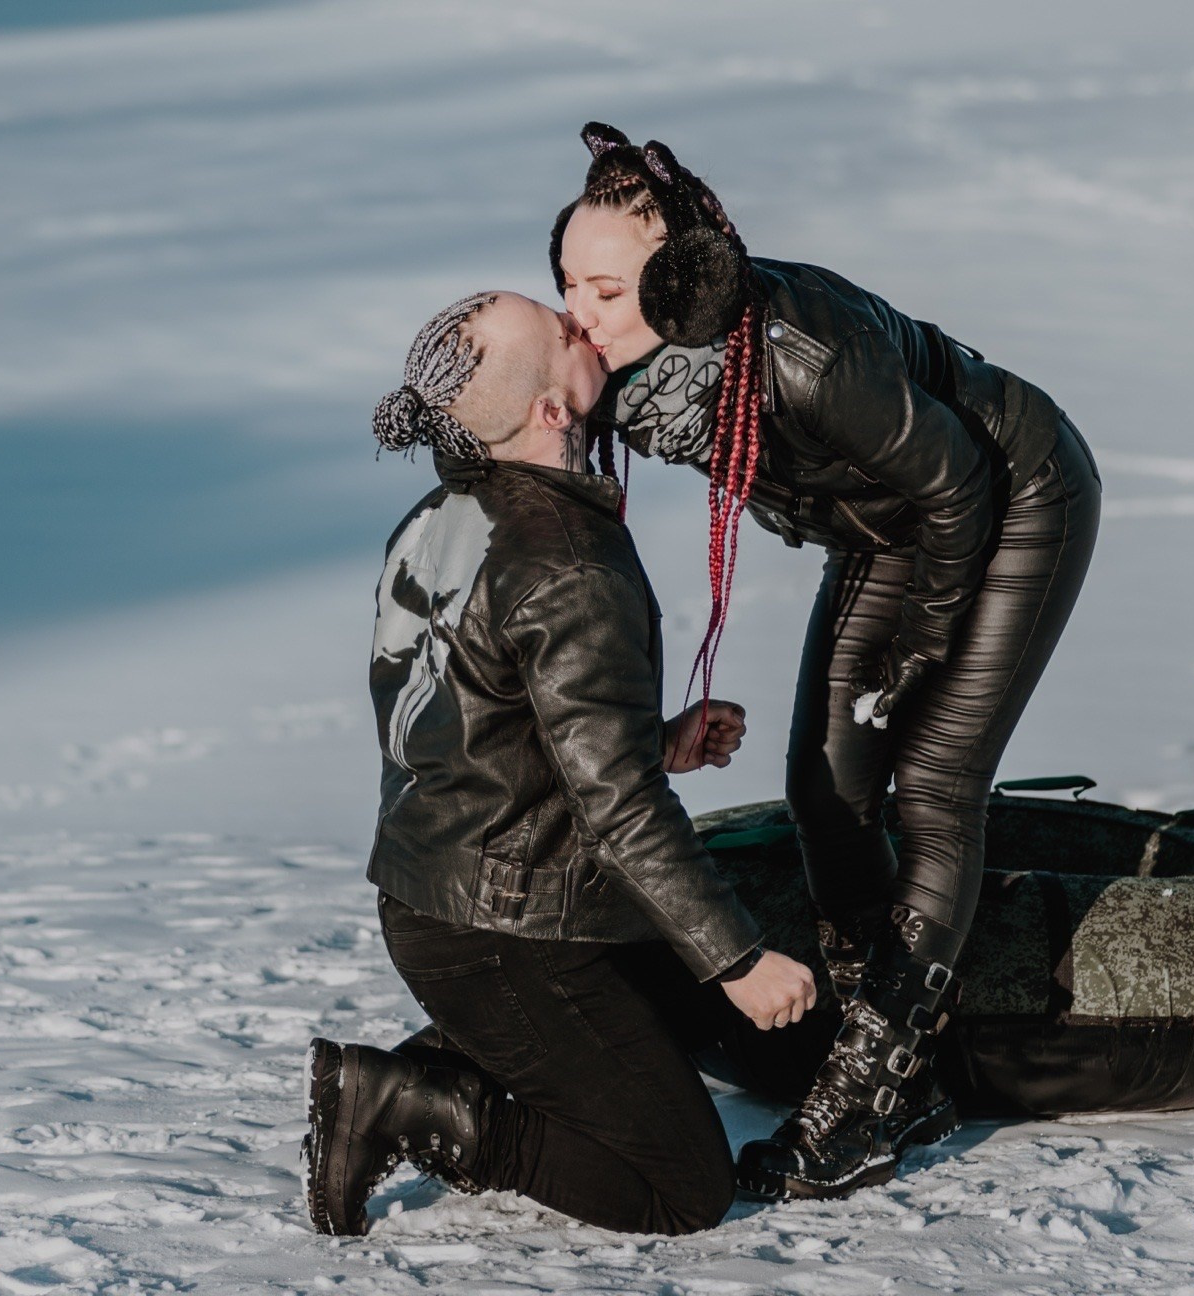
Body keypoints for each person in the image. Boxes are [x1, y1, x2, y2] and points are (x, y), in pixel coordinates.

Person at [551, 124, 1102, 1200]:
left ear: (684, 280)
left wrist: (924, 649)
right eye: (569, 283)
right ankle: (886, 1051)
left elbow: (956, 489)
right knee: (822, 785)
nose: (582, 314)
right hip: (887, 529)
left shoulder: (803, 357)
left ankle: (865, 1093)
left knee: (932, 778)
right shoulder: (645, 369)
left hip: (1010, 491)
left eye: (606, 290)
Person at [303, 290, 818, 1239]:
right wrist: (736, 958)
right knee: (684, 1189)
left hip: (440, 899)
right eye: (567, 333)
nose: (588, 326)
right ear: (551, 409)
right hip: (506, 931)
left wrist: (654, 739)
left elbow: (480, 722)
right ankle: (420, 1109)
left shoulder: (439, 514)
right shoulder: (571, 562)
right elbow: (621, 812)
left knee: (667, 1030)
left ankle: (449, 1060)